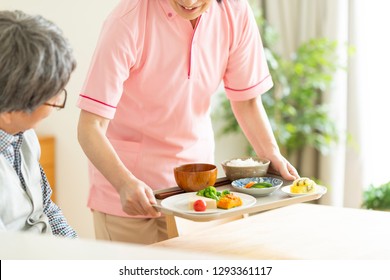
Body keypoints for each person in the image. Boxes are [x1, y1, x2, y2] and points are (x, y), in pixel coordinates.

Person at [77, 0, 299, 244]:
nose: (189, 2)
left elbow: (246, 101)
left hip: (198, 191)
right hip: (133, 195)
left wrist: (272, 155)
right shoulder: (127, 21)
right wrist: (124, 183)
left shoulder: (234, 12)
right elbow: (91, 127)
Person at [0, 10, 77, 237]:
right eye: (50, 95)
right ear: (9, 108)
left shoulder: (23, 133)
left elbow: (45, 208)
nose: (57, 101)